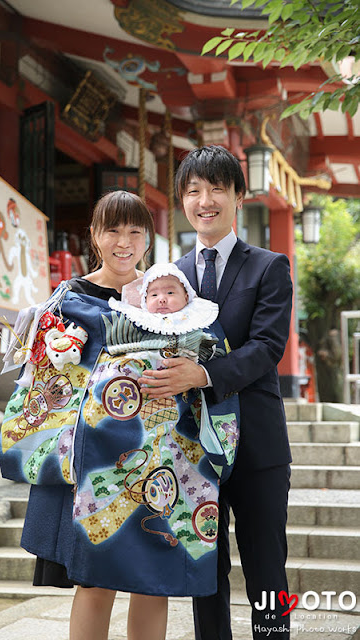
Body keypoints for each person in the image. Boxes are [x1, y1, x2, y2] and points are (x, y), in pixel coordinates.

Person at [0, 190, 237, 640]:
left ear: (149, 237)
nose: (124, 241)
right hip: (94, 463)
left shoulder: (167, 298)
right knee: (93, 580)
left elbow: (205, 357)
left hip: (161, 461)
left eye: (135, 230)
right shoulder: (69, 299)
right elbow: (47, 381)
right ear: (94, 235)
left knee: (154, 579)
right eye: (112, 229)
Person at [138, 145, 293, 640]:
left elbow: (268, 345)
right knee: (205, 572)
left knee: (267, 568)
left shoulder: (269, 266)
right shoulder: (169, 276)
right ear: (183, 201)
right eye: (193, 191)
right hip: (190, 445)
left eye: (217, 189)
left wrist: (202, 375)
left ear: (238, 197)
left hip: (257, 445)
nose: (205, 200)